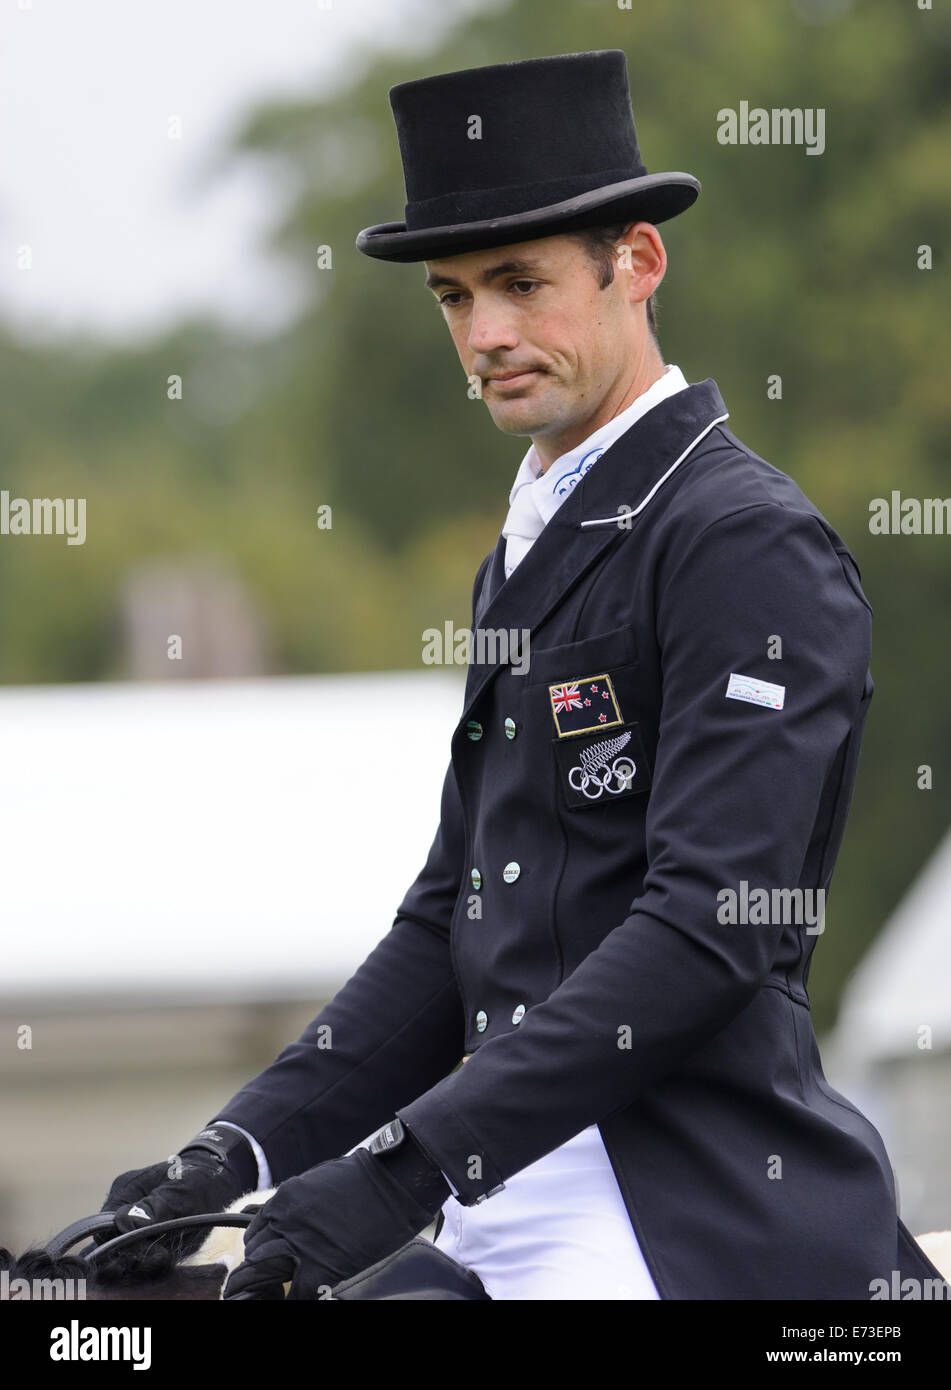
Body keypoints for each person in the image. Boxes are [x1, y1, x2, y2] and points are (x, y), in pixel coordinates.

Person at [100, 48, 945, 1300]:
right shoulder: (529, 548)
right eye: (453, 296)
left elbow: (712, 924)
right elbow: (451, 922)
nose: (485, 335)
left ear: (638, 263)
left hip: (679, 1216)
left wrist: (403, 1162)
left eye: (521, 284)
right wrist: (228, 1154)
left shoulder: (741, 540)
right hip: (502, 1210)